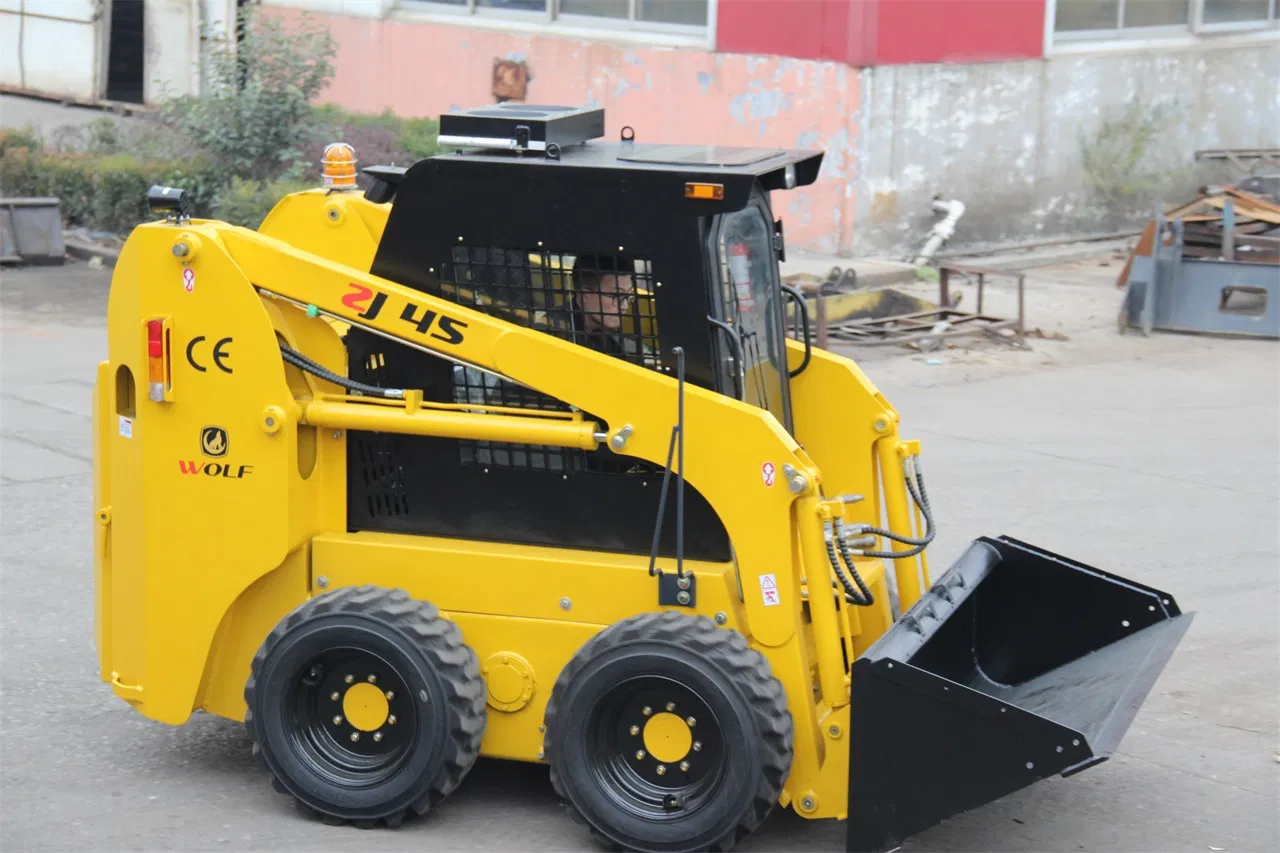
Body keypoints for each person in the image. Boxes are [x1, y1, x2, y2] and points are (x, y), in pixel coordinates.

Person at [571, 252, 657, 366]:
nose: (624, 306)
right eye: (616, 295)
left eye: (628, 296)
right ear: (584, 295)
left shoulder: (614, 344)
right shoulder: (552, 332)